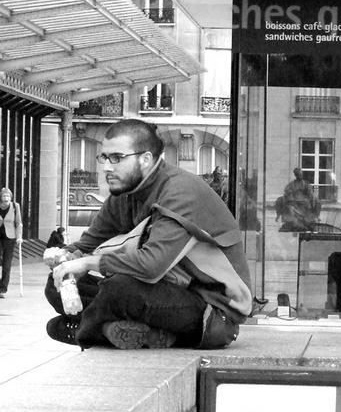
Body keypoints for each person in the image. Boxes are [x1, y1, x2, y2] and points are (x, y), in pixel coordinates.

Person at [44, 119, 252, 349]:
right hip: (164, 293)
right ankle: (130, 331)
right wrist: (66, 258)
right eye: (104, 157)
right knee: (57, 283)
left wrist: (86, 263)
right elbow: (87, 244)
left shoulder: (180, 192)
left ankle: (93, 331)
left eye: (117, 158)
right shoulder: (124, 193)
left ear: (145, 158)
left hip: (214, 312)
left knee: (119, 289)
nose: (107, 167)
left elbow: (152, 266)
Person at [275, 167, 321, 231]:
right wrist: (291, 197)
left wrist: (309, 198)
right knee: (284, 203)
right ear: (296, 175)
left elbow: (310, 193)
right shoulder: (292, 184)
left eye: (301, 174)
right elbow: (287, 191)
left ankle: (316, 216)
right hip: (294, 203)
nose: (300, 176)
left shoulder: (306, 184)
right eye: (299, 174)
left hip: (304, 202)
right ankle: (290, 220)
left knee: (317, 202)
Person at [0, 187, 23, 298]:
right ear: (1, 197)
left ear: (11, 197)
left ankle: (2, 289)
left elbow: (18, 223)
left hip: (10, 238)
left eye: (8, 196)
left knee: (6, 264)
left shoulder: (15, 206)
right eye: (4, 195)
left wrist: (19, 237)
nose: (6, 198)